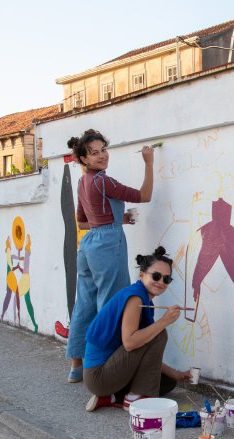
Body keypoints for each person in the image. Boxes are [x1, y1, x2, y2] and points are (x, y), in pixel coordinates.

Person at [65, 129, 155, 383]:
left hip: (89, 245)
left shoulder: (82, 182)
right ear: (84, 158)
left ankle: (76, 366)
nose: (102, 155)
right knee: (111, 304)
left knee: (84, 304)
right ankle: (101, 367)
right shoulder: (104, 181)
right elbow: (144, 195)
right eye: (95, 153)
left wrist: (118, 219)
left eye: (103, 149)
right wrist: (149, 163)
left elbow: (83, 223)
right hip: (107, 245)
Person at [84, 246, 193, 411]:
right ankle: (135, 398)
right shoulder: (136, 298)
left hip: (109, 371)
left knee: (167, 382)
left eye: (166, 279)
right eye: (156, 276)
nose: (161, 282)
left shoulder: (144, 299)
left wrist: (176, 374)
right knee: (158, 333)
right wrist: (164, 321)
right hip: (99, 376)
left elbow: (146, 352)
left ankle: (111, 397)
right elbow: (130, 343)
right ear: (142, 275)